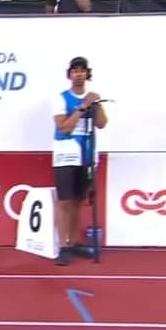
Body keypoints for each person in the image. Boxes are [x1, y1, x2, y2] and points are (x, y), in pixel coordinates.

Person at [52, 57, 108, 266]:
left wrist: (96, 104)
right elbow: (64, 127)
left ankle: (74, 242)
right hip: (65, 153)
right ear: (69, 75)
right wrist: (83, 107)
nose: (78, 74)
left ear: (87, 74)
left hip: (86, 154)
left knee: (77, 201)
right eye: (75, 71)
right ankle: (63, 245)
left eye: (82, 71)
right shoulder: (61, 99)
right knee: (65, 201)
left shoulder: (92, 97)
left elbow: (102, 124)